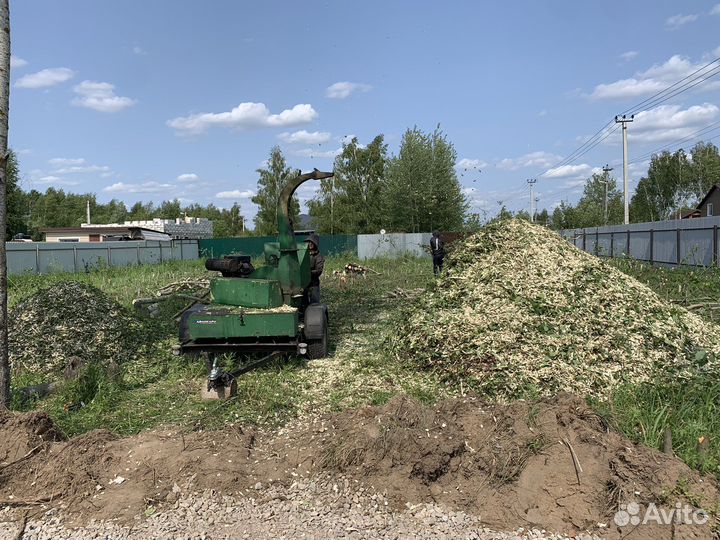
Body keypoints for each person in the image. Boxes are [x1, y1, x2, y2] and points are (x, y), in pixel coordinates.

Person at [305, 233, 325, 304]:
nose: (310, 244)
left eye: (312, 242)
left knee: (314, 305)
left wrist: (308, 272)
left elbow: (319, 270)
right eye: (308, 242)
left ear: (315, 244)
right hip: (303, 285)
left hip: (313, 284)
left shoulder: (318, 256)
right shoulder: (303, 254)